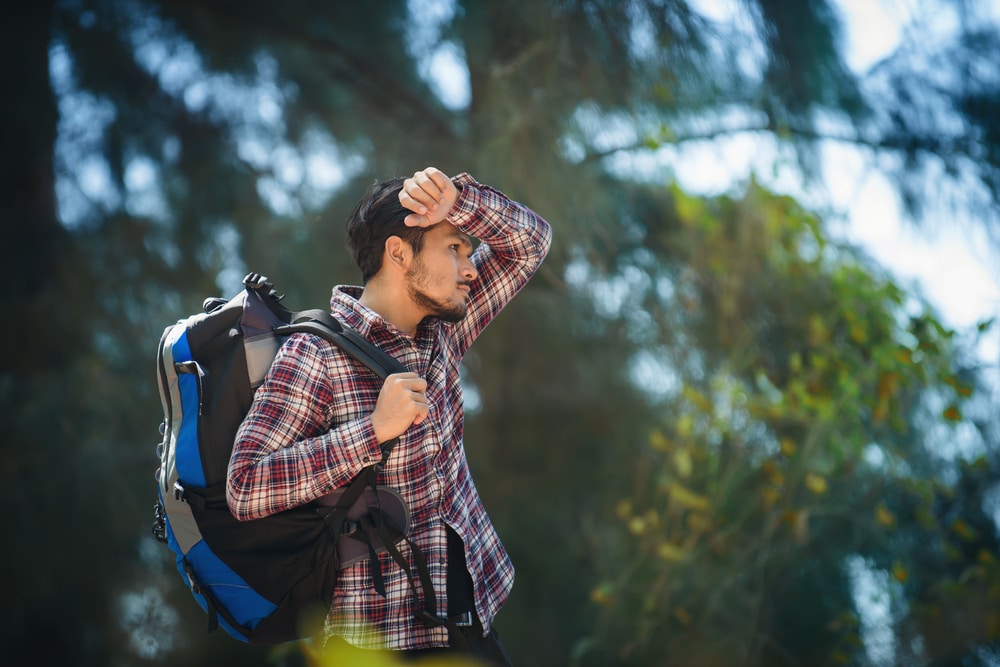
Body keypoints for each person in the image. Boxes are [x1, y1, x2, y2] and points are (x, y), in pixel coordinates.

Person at [227, 166, 552, 663]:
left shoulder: (442, 332)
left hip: (474, 628)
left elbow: (530, 243)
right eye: (454, 248)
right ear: (399, 253)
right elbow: (245, 486)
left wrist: (457, 204)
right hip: (384, 644)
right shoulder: (315, 356)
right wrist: (372, 431)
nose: (470, 267)